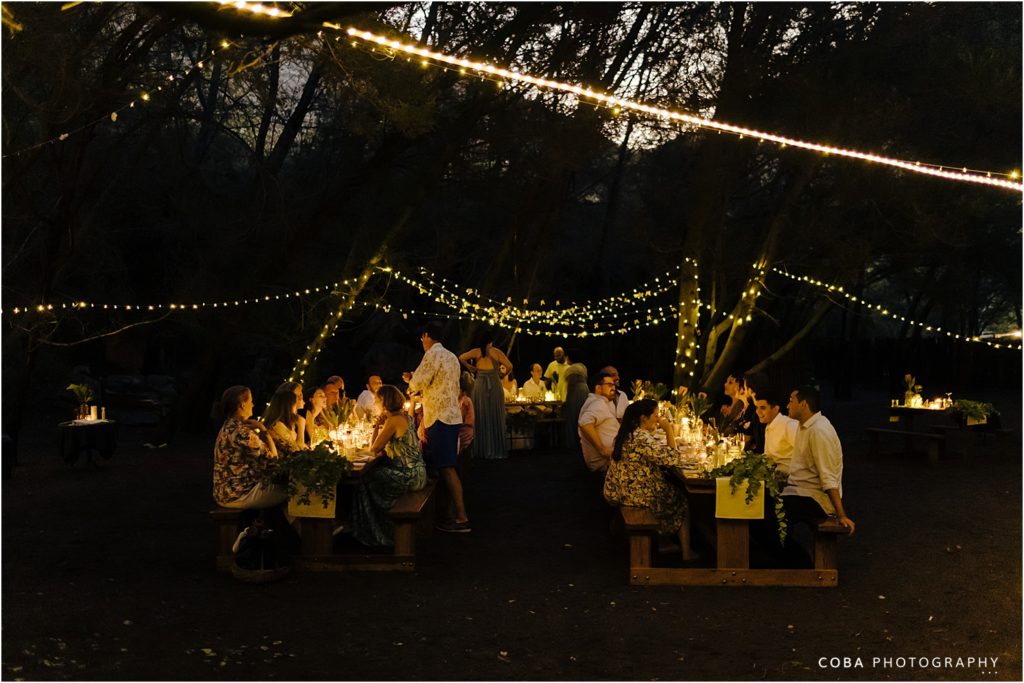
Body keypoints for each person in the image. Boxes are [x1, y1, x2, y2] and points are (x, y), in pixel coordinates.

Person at [603, 399, 696, 561]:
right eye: (656, 415)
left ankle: (664, 541)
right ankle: (687, 553)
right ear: (643, 418)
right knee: (682, 499)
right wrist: (669, 430)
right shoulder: (641, 438)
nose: (659, 419)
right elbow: (672, 459)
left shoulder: (629, 433)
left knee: (668, 486)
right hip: (635, 494)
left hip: (623, 488)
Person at [404, 322, 471, 533]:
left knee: (447, 468)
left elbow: (418, 383)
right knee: (446, 466)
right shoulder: (452, 357)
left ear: (426, 336)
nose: (422, 342)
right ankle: (448, 514)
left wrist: (410, 380)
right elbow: (443, 387)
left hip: (439, 419)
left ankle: (461, 518)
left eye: (422, 339)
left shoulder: (432, 355)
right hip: (451, 416)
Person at [350, 385, 428, 547]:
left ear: (385, 401)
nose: (375, 403)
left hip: (408, 476)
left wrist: (378, 426)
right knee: (373, 475)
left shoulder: (393, 421)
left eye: (377, 400)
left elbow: (374, 448)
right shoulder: (405, 416)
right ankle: (376, 529)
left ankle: (374, 533)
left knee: (364, 481)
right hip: (419, 472)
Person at [212, 385, 287, 509]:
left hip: (224, 491)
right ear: (242, 405)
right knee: (294, 490)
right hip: (238, 493)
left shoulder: (228, 426)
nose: (253, 405)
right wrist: (265, 432)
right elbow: (273, 460)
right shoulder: (243, 433)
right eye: (251, 401)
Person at [458, 334, 512, 460]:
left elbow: (461, 357)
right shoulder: (496, 352)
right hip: (494, 383)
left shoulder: (476, 352)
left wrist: (469, 366)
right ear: (490, 341)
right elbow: (510, 366)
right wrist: (503, 375)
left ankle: (482, 450)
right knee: (495, 415)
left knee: (481, 415)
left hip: (480, 384)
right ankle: (496, 450)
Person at [577, 371, 620, 475]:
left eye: (614, 385)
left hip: (608, 459)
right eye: (609, 385)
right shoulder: (598, 403)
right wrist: (602, 450)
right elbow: (584, 422)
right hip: (605, 464)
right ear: (598, 388)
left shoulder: (597, 401)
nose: (613, 388)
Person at [754, 389, 798, 474]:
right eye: (757, 408)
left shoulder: (789, 425)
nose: (758, 412)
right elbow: (768, 457)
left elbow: (807, 454)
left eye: (762, 408)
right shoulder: (769, 425)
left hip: (792, 480)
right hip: (774, 476)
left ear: (775, 409)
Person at [265, 382, 306, 453]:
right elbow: (297, 453)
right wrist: (301, 427)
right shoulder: (277, 426)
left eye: (301, 395)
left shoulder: (292, 422)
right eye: (298, 396)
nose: (301, 399)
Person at [562, 361, 589, 451]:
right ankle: (574, 443)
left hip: (578, 408)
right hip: (574, 408)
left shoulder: (581, 387)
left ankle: (577, 444)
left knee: (576, 421)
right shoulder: (574, 387)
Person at [458, 372, 475, 454]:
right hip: (461, 431)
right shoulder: (460, 400)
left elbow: (460, 419)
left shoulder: (465, 401)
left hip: (464, 433)